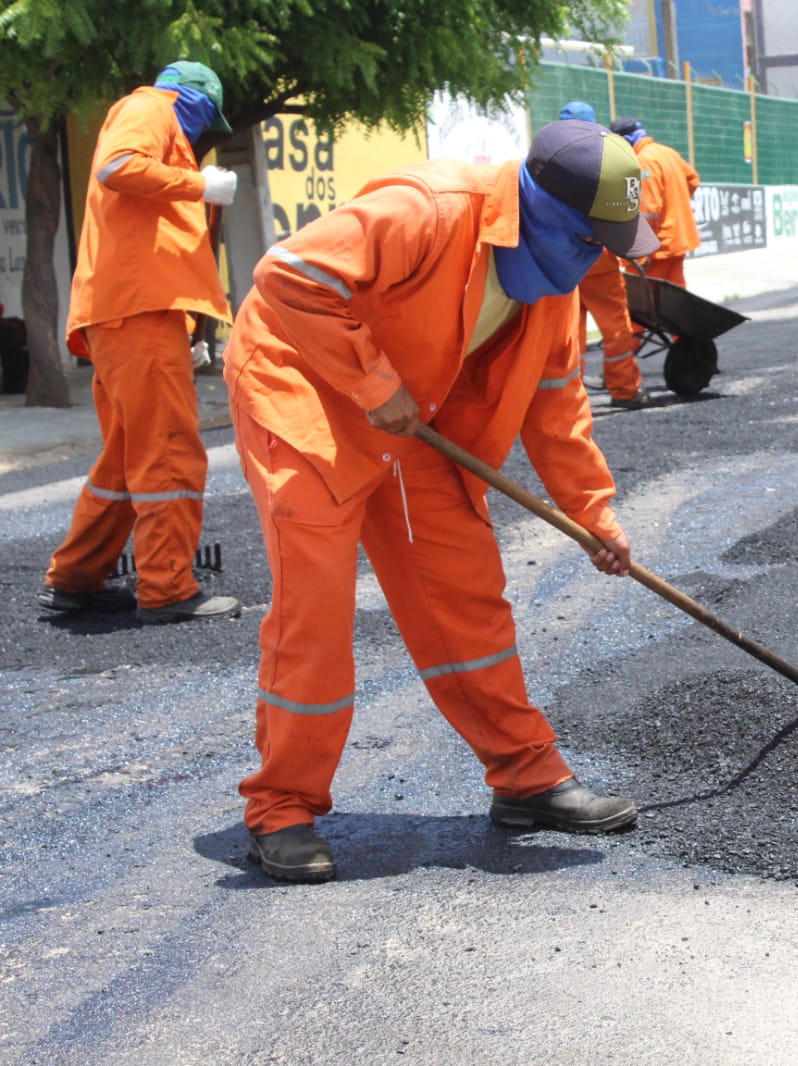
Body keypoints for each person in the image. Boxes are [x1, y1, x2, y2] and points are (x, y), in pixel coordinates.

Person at [221, 120, 659, 883]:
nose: (596, 261)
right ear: (541, 214)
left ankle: (527, 776)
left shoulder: (552, 290)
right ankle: (282, 804)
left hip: (412, 413)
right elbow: (290, 275)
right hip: (306, 391)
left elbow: (557, 407)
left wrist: (592, 516)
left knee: (464, 588)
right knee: (315, 606)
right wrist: (371, 382)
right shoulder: (426, 208)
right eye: (591, 241)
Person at [37, 61, 241, 624]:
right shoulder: (149, 107)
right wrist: (200, 184)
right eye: (206, 120)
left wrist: (191, 333)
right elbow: (118, 167)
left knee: (128, 461)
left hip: (133, 315)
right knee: (170, 453)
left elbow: (158, 241)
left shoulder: (160, 126)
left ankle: (74, 580)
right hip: (136, 314)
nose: (202, 135)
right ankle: (168, 588)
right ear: (191, 99)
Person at [560, 101, 650, 409]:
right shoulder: (602, 157)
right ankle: (624, 389)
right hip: (597, 261)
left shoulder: (545, 158)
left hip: (561, 263)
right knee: (616, 329)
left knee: (568, 332)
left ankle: (570, 396)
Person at [609, 116, 700, 288]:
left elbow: (646, 211)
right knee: (674, 301)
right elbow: (693, 180)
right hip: (675, 242)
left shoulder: (642, 162)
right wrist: (674, 205)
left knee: (643, 307)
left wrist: (640, 254)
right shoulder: (667, 152)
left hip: (655, 251)